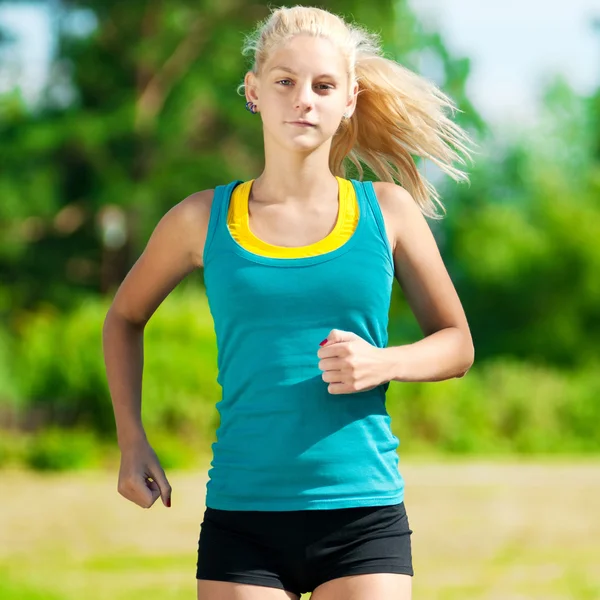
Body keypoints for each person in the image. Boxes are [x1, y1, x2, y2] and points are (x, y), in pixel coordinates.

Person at [102, 5, 476, 600]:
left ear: (349, 100)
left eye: (323, 85)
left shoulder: (388, 212)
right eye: (285, 82)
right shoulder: (201, 220)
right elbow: (124, 317)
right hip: (243, 516)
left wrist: (382, 363)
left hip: (364, 516)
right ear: (254, 92)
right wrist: (131, 440)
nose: (304, 99)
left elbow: (457, 345)